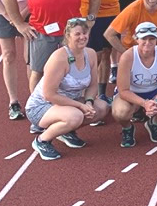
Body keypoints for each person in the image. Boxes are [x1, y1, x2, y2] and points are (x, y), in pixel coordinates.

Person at [26, 18, 109, 160]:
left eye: (85, 33)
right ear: (68, 36)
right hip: (42, 106)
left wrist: (88, 102)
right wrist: (80, 106)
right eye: (77, 34)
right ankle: (42, 141)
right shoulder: (59, 58)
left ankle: (66, 130)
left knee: (102, 107)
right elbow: (49, 95)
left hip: (70, 103)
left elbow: (93, 85)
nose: (82, 37)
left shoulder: (90, 54)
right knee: (75, 116)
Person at [111, 23, 157, 147]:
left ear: (156, 39)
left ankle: (154, 123)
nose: (148, 42)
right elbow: (123, 90)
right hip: (132, 92)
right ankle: (127, 128)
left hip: (155, 91)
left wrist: (156, 101)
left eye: (152, 39)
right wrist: (144, 103)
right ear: (136, 38)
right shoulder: (127, 57)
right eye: (144, 38)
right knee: (120, 112)